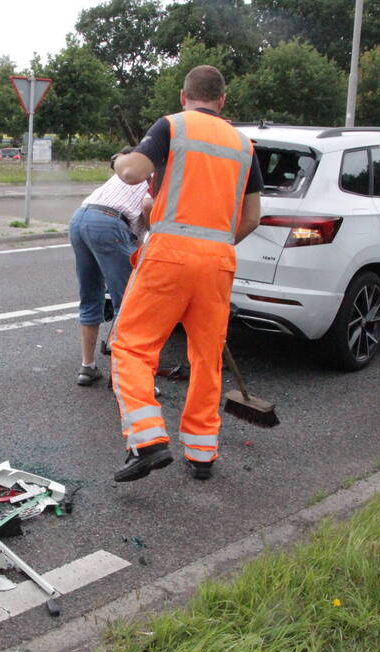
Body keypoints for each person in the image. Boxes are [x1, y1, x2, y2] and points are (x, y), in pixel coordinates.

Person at [109, 65, 262, 483]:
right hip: (218, 261)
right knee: (206, 357)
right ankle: (202, 453)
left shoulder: (172, 127)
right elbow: (252, 216)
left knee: (131, 347)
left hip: (170, 254)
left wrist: (121, 158)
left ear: (183, 96)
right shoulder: (244, 145)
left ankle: (148, 439)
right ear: (222, 100)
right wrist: (216, 243)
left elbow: (132, 173)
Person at [68, 147, 151, 386]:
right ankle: (122, 376)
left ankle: (87, 366)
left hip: (80, 218)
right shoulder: (152, 177)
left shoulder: (125, 172)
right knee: (126, 304)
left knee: (90, 295)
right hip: (109, 223)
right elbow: (147, 206)